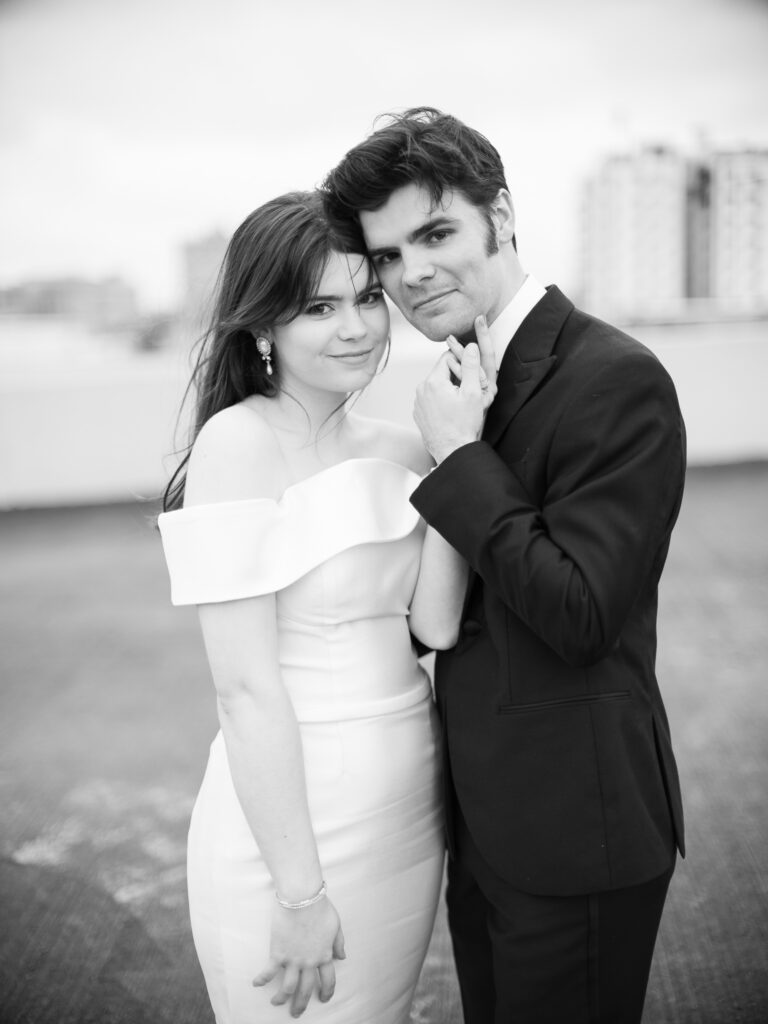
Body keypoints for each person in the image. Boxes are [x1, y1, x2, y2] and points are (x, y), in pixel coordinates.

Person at [322, 107, 687, 1023]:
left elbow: (580, 612)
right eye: (388, 255)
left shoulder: (615, 378)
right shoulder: (455, 384)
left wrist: (459, 459)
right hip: (483, 832)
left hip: (577, 831)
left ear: (502, 215)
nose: (412, 274)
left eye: (435, 234)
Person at [157, 191, 483, 1022]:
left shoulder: (405, 446)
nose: (357, 328)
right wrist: (299, 894)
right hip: (288, 829)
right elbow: (244, 691)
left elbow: (436, 625)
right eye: (319, 308)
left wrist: (458, 458)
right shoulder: (238, 443)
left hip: (407, 802)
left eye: (367, 298)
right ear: (263, 325)